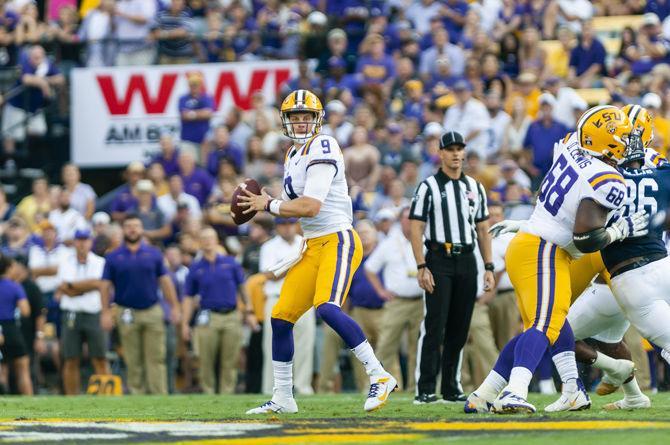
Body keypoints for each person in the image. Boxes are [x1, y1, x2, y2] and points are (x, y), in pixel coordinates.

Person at [466, 106, 644, 414]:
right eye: (623, 137)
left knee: (546, 324)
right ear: (608, 141)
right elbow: (585, 239)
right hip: (545, 249)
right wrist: (618, 230)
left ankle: (490, 393)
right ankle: (515, 390)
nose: (629, 143)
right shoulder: (608, 179)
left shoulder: (572, 144)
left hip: (543, 243)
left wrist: (530, 222)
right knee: (545, 323)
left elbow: (550, 197)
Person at [242, 89, 397, 414]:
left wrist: (268, 204)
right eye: (295, 117)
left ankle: (379, 375)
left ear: (318, 120)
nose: (300, 123)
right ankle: (283, 397)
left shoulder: (323, 145)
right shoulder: (292, 155)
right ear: (286, 121)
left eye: (306, 117)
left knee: (327, 308)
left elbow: (311, 207)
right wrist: (269, 200)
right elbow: (297, 205)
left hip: (338, 239)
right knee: (281, 318)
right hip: (312, 245)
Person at [409, 130, 494, 404]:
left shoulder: (475, 187)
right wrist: (422, 265)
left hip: (467, 259)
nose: (456, 154)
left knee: (460, 326)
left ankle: (450, 386)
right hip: (439, 257)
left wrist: (489, 267)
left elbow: (483, 229)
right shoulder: (428, 187)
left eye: (460, 149)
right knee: (435, 324)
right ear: (441, 153)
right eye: (451, 149)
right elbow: (416, 228)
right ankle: (425, 388)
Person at [100, 215, 181, 395]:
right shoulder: (113, 256)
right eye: (129, 226)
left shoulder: (154, 253)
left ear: (142, 229)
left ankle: (159, 396)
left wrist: (174, 306)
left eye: (136, 226)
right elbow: (105, 286)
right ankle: (138, 396)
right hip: (125, 310)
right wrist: (105, 312)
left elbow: (166, 281)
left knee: (156, 357)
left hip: (152, 309)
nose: (132, 229)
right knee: (132, 358)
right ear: (123, 230)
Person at [182, 227, 257, 394]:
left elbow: (242, 289)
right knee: (205, 359)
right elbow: (188, 297)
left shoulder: (230, 263)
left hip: (231, 315)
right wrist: (185, 323)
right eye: (204, 238)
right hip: (208, 316)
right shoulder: (196, 267)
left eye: (211, 238)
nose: (208, 241)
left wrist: (249, 311)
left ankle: (227, 393)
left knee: (230, 359)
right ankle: (208, 392)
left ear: (217, 241)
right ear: (200, 242)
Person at [365, 208, 424, 392]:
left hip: (421, 301)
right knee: (386, 345)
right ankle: (379, 385)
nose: (409, 222)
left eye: (412, 218)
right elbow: (370, 268)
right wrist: (381, 290)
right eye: (406, 219)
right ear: (400, 221)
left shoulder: (425, 241)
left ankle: (416, 387)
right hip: (396, 302)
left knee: (419, 347)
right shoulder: (389, 243)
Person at [258, 217, 314, 396]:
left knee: (304, 345)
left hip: (304, 298)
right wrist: (296, 263)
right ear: (277, 227)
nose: (287, 228)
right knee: (272, 345)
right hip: (277, 297)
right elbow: (269, 274)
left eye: (290, 224)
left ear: (296, 225)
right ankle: (271, 388)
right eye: (283, 225)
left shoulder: (306, 242)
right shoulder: (269, 246)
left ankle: (303, 387)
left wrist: (286, 266)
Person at [55, 229, 107, 395]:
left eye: (85, 240)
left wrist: (73, 286)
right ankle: (72, 398)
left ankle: (105, 398)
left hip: (93, 313)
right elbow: (64, 288)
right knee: (70, 358)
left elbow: (99, 284)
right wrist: (88, 286)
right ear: (74, 242)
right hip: (72, 313)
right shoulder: (65, 262)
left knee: (99, 357)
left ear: (90, 242)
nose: (82, 243)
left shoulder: (100, 262)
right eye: (79, 240)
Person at [0, 256, 32, 395]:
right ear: (8, 268)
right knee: (23, 369)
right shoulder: (15, 286)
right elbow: (25, 311)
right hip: (10, 328)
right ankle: (30, 402)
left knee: (2, 370)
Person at [178, 72, 214, 153]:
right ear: (189, 85)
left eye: (196, 84)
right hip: (188, 141)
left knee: (205, 165)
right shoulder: (183, 99)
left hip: (204, 142)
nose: (194, 86)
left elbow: (208, 114)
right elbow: (184, 115)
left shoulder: (207, 97)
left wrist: (191, 114)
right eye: (192, 84)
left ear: (200, 85)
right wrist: (201, 113)